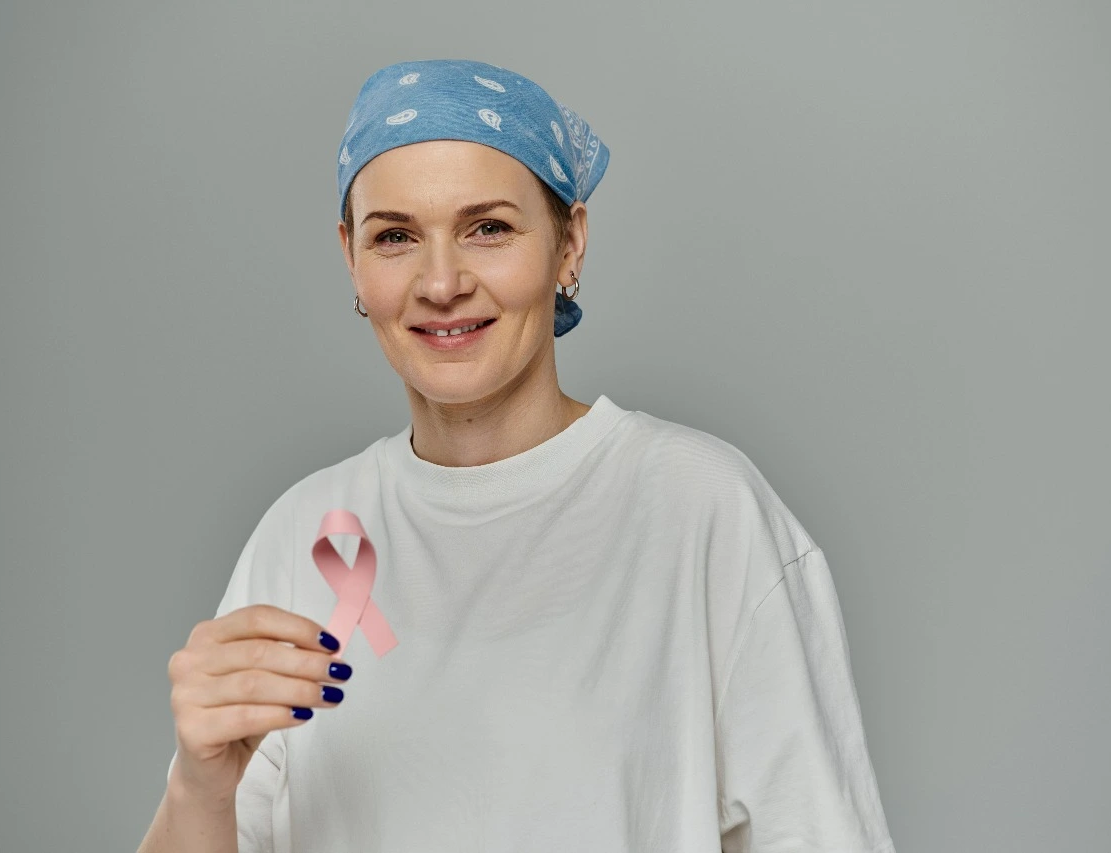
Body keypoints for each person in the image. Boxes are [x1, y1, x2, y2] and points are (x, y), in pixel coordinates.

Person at [138, 58, 896, 853]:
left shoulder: (701, 511)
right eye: (395, 236)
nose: (440, 282)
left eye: (488, 228)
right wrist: (199, 783)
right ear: (351, 259)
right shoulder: (306, 536)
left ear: (569, 244)